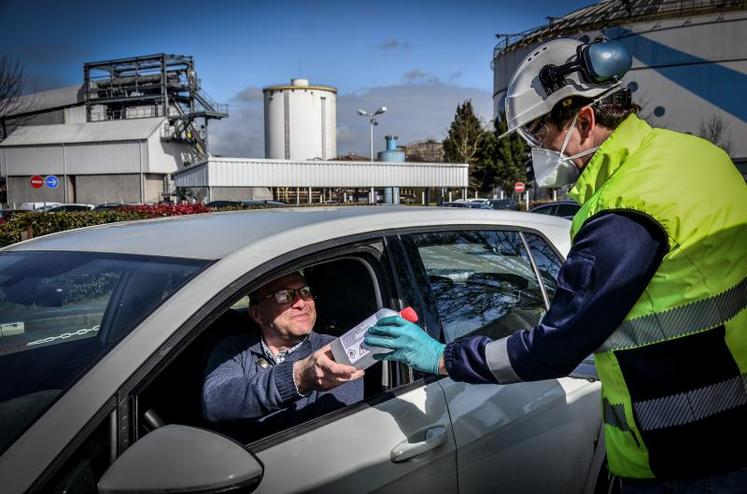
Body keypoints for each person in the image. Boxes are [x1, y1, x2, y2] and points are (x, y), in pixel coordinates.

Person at [365, 37, 747, 492]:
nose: (536, 153)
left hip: (685, 451)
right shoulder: (699, 156)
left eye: (539, 135)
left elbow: (555, 346)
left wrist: (442, 356)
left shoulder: (623, 212)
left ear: (584, 119)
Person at [203, 271, 364, 438]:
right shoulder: (234, 349)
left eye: (305, 291)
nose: (301, 303)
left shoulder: (334, 350)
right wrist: (299, 376)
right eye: (284, 295)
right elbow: (214, 403)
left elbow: (333, 435)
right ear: (256, 313)